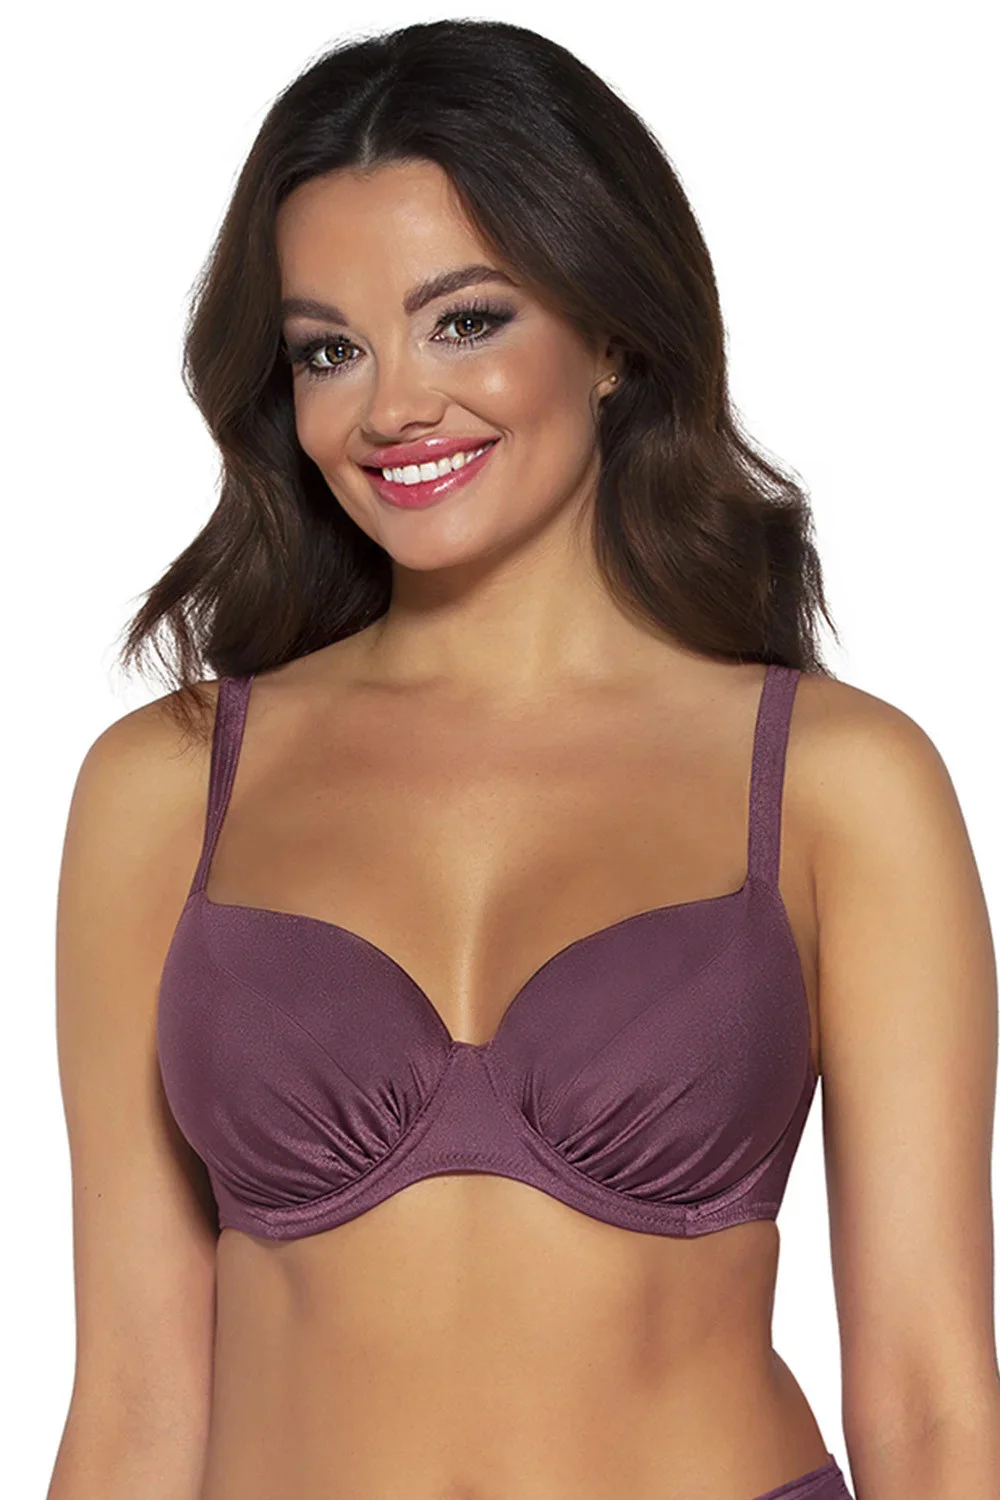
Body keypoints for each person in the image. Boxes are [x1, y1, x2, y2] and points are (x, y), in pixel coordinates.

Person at [46, 18, 1000, 1500]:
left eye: (465, 321)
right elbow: (132, 1402)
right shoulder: (167, 786)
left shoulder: (835, 782)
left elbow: (932, 1401)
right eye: (329, 350)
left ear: (613, 335)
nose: (393, 407)